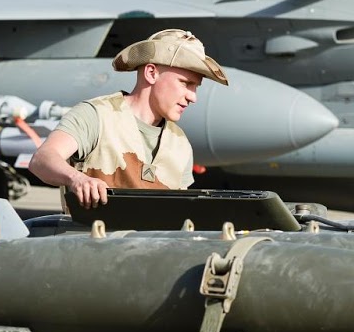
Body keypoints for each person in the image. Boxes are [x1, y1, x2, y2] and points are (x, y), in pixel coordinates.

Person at [30, 29, 229, 206]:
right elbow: (42, 159)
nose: (193, 97)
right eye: (185, 83)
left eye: (195, 87)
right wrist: (77, 179)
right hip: (90, 235)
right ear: (151, 73)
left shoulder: (180, 144)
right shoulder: (97, 116)